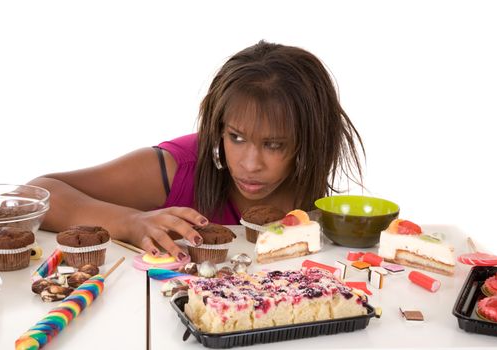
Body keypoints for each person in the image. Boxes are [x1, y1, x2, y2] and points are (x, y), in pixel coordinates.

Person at [28, 40, 365, 262]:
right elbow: (37, 194)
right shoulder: (176, 168)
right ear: (218, 126)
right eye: (235, 137)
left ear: (310, 140)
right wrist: (131, 222)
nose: (250, 163)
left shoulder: (308, 189)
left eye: (274, 145)